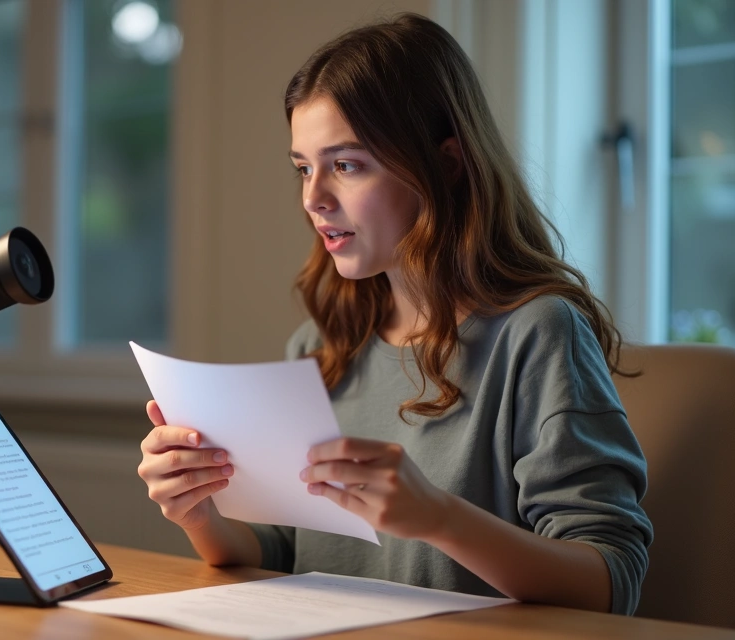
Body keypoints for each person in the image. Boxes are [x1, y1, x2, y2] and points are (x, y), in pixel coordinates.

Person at [136, 13, 653, 616]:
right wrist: (199, 512)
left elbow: (611, 580)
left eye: (347, 165)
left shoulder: (537, 334)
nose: (313, 199)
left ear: (448, 164)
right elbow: (283, 553)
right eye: (303, 167)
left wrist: (436, 516)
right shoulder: (321, 346)